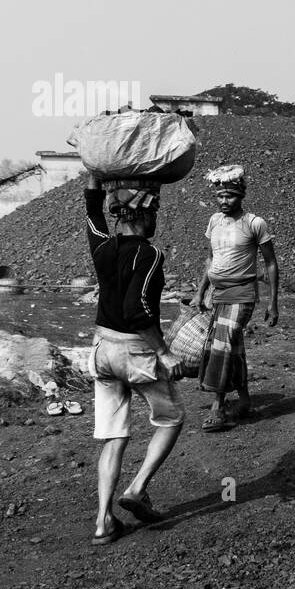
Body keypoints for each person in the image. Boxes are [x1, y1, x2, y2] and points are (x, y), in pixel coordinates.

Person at [84, 173, 185, 545]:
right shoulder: (149, 253)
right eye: (154, 210)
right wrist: (164, 352)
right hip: (134, 352)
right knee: (171, 417)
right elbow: (138, 310)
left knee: (113, 436)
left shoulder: (101, 247)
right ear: (142, 214)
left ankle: (102, 522)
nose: (156, 219)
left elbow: (92, 213)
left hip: (101, 350)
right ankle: (138, 488)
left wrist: (94, 180)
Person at [190, 165, 279, 431]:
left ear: (241, 195)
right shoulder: (214, 221)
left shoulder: (255, 223)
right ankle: (244, 400)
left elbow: (271, 263)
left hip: (242, 294)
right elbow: (210, 259)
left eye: (229, 196)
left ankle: (218, 408)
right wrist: (200, 292)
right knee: (233, 347)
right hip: (219, 295)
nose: (224, 201)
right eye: (220, 196)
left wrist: (273, 303)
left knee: (222, 345)